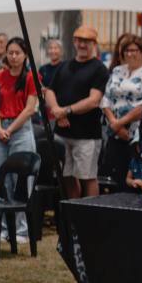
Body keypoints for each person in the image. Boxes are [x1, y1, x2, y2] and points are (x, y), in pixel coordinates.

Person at [45, 26, 109, 198]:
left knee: (87, 177)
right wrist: (57, 111)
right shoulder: (64, 66)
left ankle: (90, 216)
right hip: (63, 133)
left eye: (86, 41)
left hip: (86, 136)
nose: (82, 45)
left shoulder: (99, 69)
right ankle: (73, 216)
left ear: (94, 44)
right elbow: (50, 90)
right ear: (74, 42)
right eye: (79, 40)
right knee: (67, 177)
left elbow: (94, 100)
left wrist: (66, 111)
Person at [0, 37, 39, 241]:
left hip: (20, 129)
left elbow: (30, 109)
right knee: (1, 179)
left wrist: (9, 129)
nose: (13, 56)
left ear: (25, 55)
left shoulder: (30, 77)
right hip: (0, 128)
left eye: (17, 53)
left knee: (21, 180)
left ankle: (22, 229)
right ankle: (4, 227)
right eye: (10, 53)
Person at [100, 34, 142, 191]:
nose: (130, 53)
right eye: (126, 50)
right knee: (113, 178)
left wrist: (120, 123)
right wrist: (114, 124)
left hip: (135, 135)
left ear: (141, 51)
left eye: (134, 50)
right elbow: (106, 99)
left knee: (132, 181)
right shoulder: (117, 70)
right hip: (114, 132)